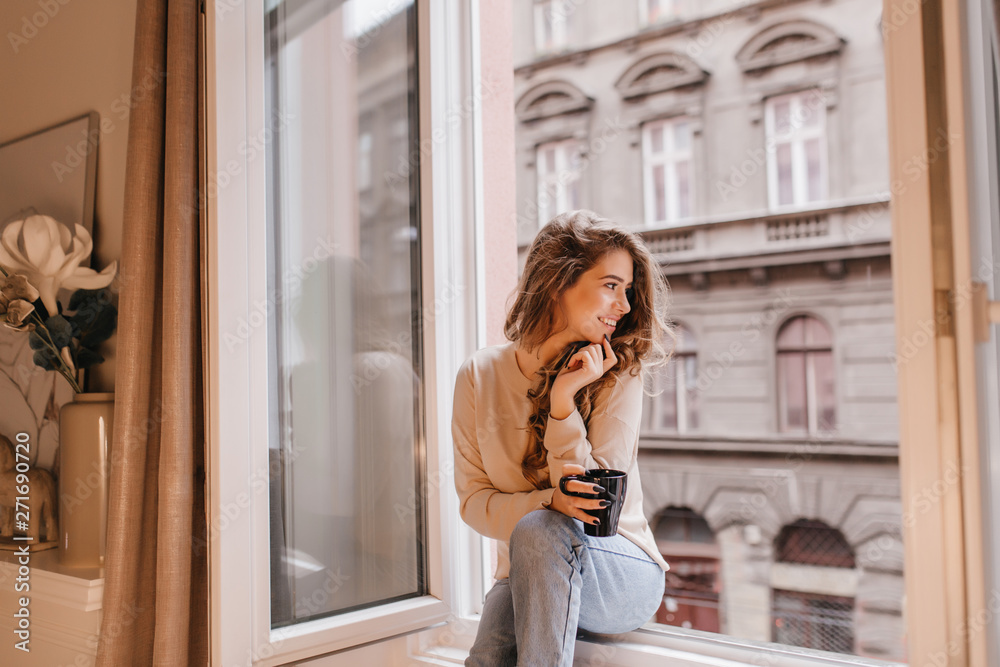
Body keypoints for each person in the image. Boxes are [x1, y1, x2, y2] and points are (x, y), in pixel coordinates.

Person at [452, 210, 676, 666]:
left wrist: (562, 404)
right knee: (486, 658)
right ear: (559, 281)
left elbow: (595, 507)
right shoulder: (479, 375)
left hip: (619, 571)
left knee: (539, 530)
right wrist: (550, 502)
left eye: (628, 290)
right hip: (524, 572)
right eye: (612, 285)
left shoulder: (618, 371)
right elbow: (474, 502)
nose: (626, 305)